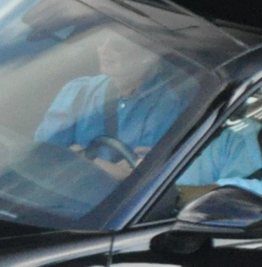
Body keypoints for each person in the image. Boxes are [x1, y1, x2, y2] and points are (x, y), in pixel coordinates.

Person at [34, 32, 198, 178]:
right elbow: (46, 154)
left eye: (117, 46)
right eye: (100, 42)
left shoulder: (169, 106)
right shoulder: (79, 91)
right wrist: (102, 166)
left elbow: (141, 175)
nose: (103, 50)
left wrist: (79, 155)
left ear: (148, 55)